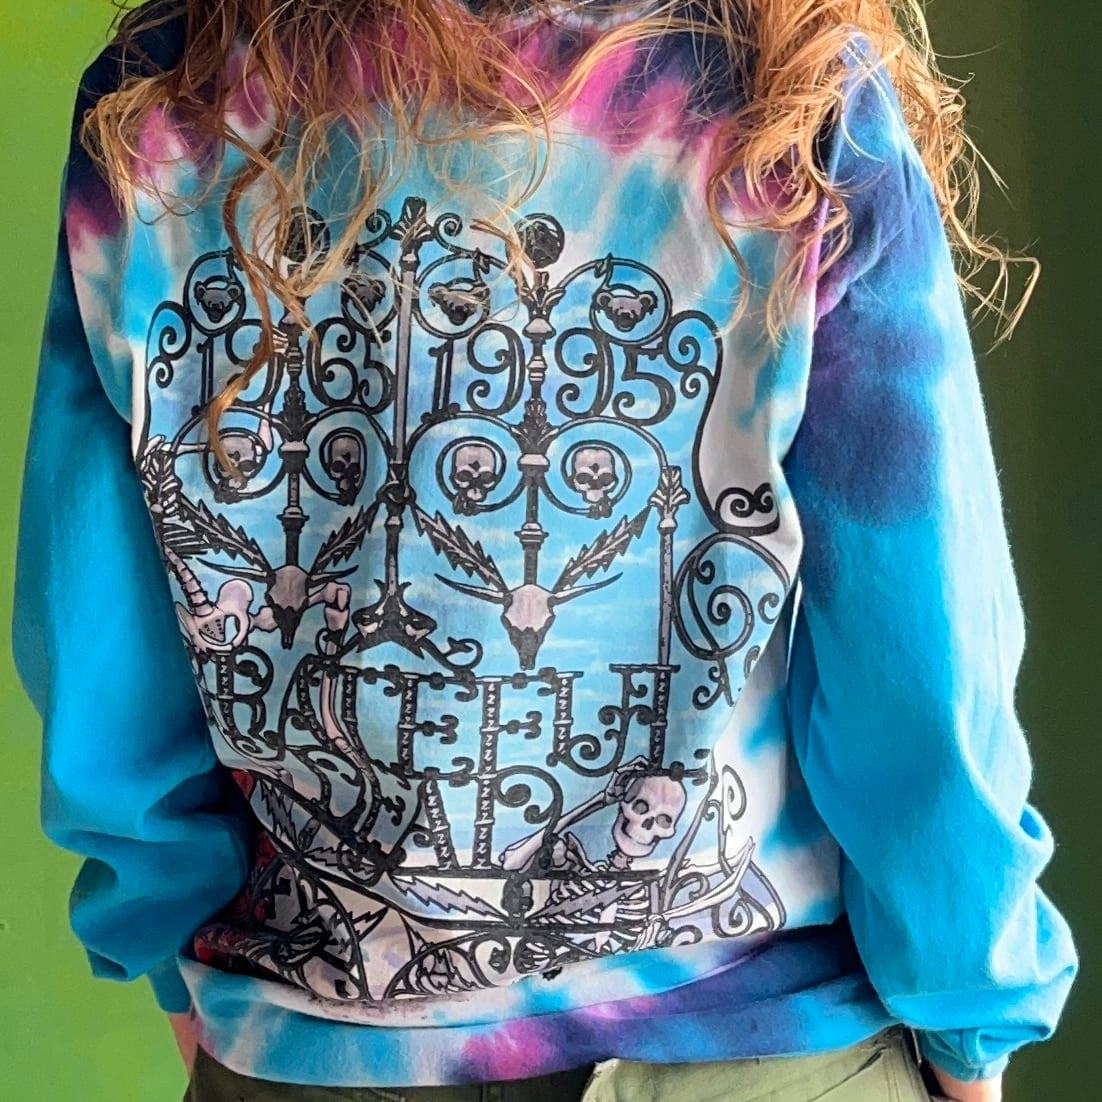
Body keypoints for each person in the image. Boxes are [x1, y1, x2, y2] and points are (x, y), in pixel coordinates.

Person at [13, 0, 1077, 1099]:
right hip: (753, 1037)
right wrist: (972, 1012)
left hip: (312, 1038)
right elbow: (917, 667)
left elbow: (100, 637)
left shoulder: (166, 96)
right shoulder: (788, 94)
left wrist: (172, 953)